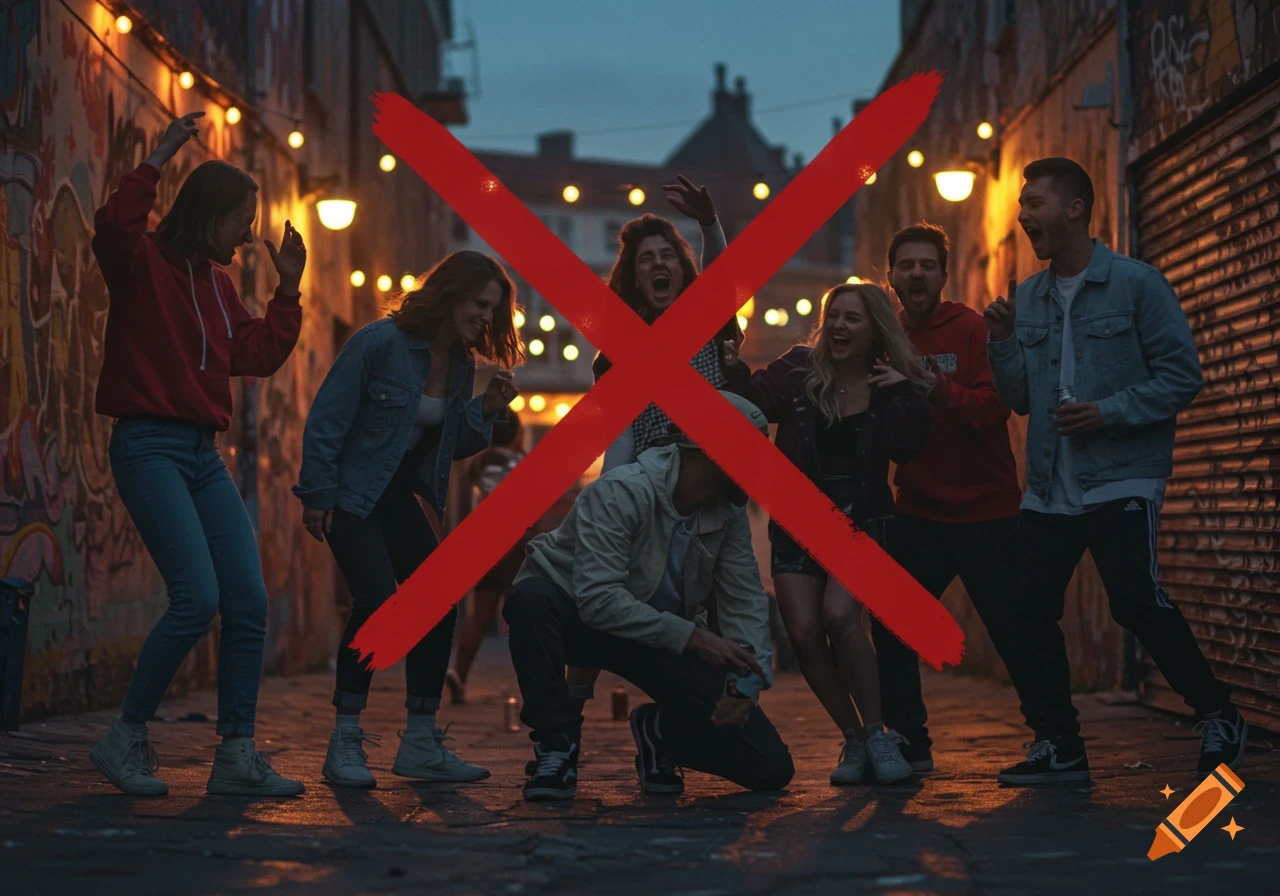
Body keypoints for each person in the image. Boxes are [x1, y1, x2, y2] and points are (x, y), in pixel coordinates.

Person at [984, 157, 1247, 783]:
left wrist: (1108, 413)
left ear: (1075, 208)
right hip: (1050, 483)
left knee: (1134, 600)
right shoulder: (1028, 296)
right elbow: (1019, 399)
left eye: (1035, 203)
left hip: (1122, 472)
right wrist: (999, 340)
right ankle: (1060, 743)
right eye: (1021, 205)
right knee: (1023, 606)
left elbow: (1182, 377)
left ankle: (1218, 714)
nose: (1024, 215)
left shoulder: (1136, 284)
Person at [88, 112, 308, 798]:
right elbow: (113, 227)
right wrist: (157, 155)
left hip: (201, 453)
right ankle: (123, 737)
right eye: (241, 220)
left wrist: (290, 287)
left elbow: (256, 355)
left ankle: (236, 753)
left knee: (247, 599)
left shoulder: (218, 285)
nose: (249, 234)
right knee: (197, 598)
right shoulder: (141, 260)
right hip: (148, 445)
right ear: (208, 213)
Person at [294, 250, 523, 789]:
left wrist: (486, 410)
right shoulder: (380, 342)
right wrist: (318, 493)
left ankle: (420, 742)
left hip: (395, 496)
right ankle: (344, 740)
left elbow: (453, 442)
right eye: (480, 304)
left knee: (438, 600)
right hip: (351, 494)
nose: (486, 318)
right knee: (375, 599)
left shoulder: (463, 363)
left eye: (493, 309)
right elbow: (328, 417)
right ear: (450, 294)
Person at [504, 392, 795, 802]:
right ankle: (557, 746)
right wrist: (696, 639)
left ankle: (661, 732)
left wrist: (743, 687)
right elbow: (598, 600)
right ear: (708, 453)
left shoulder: (727, 514)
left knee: (769, 768)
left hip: (656, 632)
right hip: (582, 618)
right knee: (530, 598)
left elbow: (744, 600)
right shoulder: (620, 492)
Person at [723, 282, 932, 785]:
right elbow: (753, 399)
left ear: (874, 329)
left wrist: (905, 388)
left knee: (840, 617)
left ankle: (879, 734)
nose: (839, 326)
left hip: (862, 517)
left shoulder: (887, 382)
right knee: (802, 634)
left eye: (852, 319)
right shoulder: (799, 368)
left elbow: (909, 447)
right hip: (799, 517)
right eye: (833, 316)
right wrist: (731, 362)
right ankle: (854, 740)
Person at [567, 176, 746, 709]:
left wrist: (709, 222)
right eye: (647, 258)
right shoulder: (616, 354)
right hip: (645, 494)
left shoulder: (707, 323)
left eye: (668, 254)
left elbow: (723, 273)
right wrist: (605, 502)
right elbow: (619, 438)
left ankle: (673, 732)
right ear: (634, 277)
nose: (659, 264)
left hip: (705, 492)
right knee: (602, 601)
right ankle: (565, 730)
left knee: (696, 613)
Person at [869, 223, 1024, 775]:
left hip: (988, 510)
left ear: (943, 274)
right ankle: (910, 741)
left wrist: (932, 386)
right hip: (918, 512)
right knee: (889, 621)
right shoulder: (885, 336)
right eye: (906, 265)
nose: (916, 274)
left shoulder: (972, 329)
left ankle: (1057, 739)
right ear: (890, 276)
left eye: (926, 265)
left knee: (1014, 630)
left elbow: (993, 410)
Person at [445, 407, 532, 703]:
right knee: (527, 616)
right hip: (516, 545)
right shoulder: (520, 461)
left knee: (480, 613)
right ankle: (534, 685)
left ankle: (459, 672)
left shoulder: (480, 462)